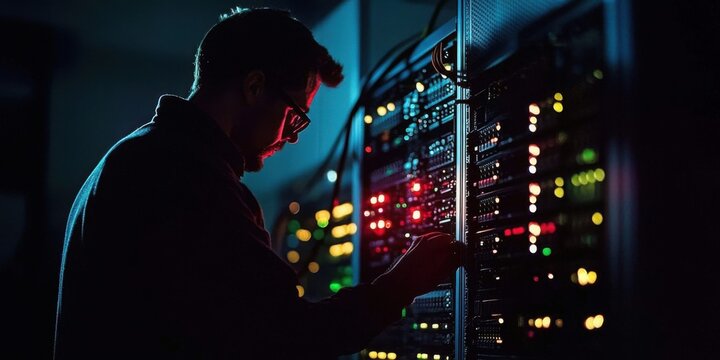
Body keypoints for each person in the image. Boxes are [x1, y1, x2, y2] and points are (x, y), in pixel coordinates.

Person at [53, 7, 463, 359]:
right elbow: (290, 335)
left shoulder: (137, 156)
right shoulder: (189, 175)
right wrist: (403, 283)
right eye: (295, 115)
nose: (293, 135)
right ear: (254, 87)